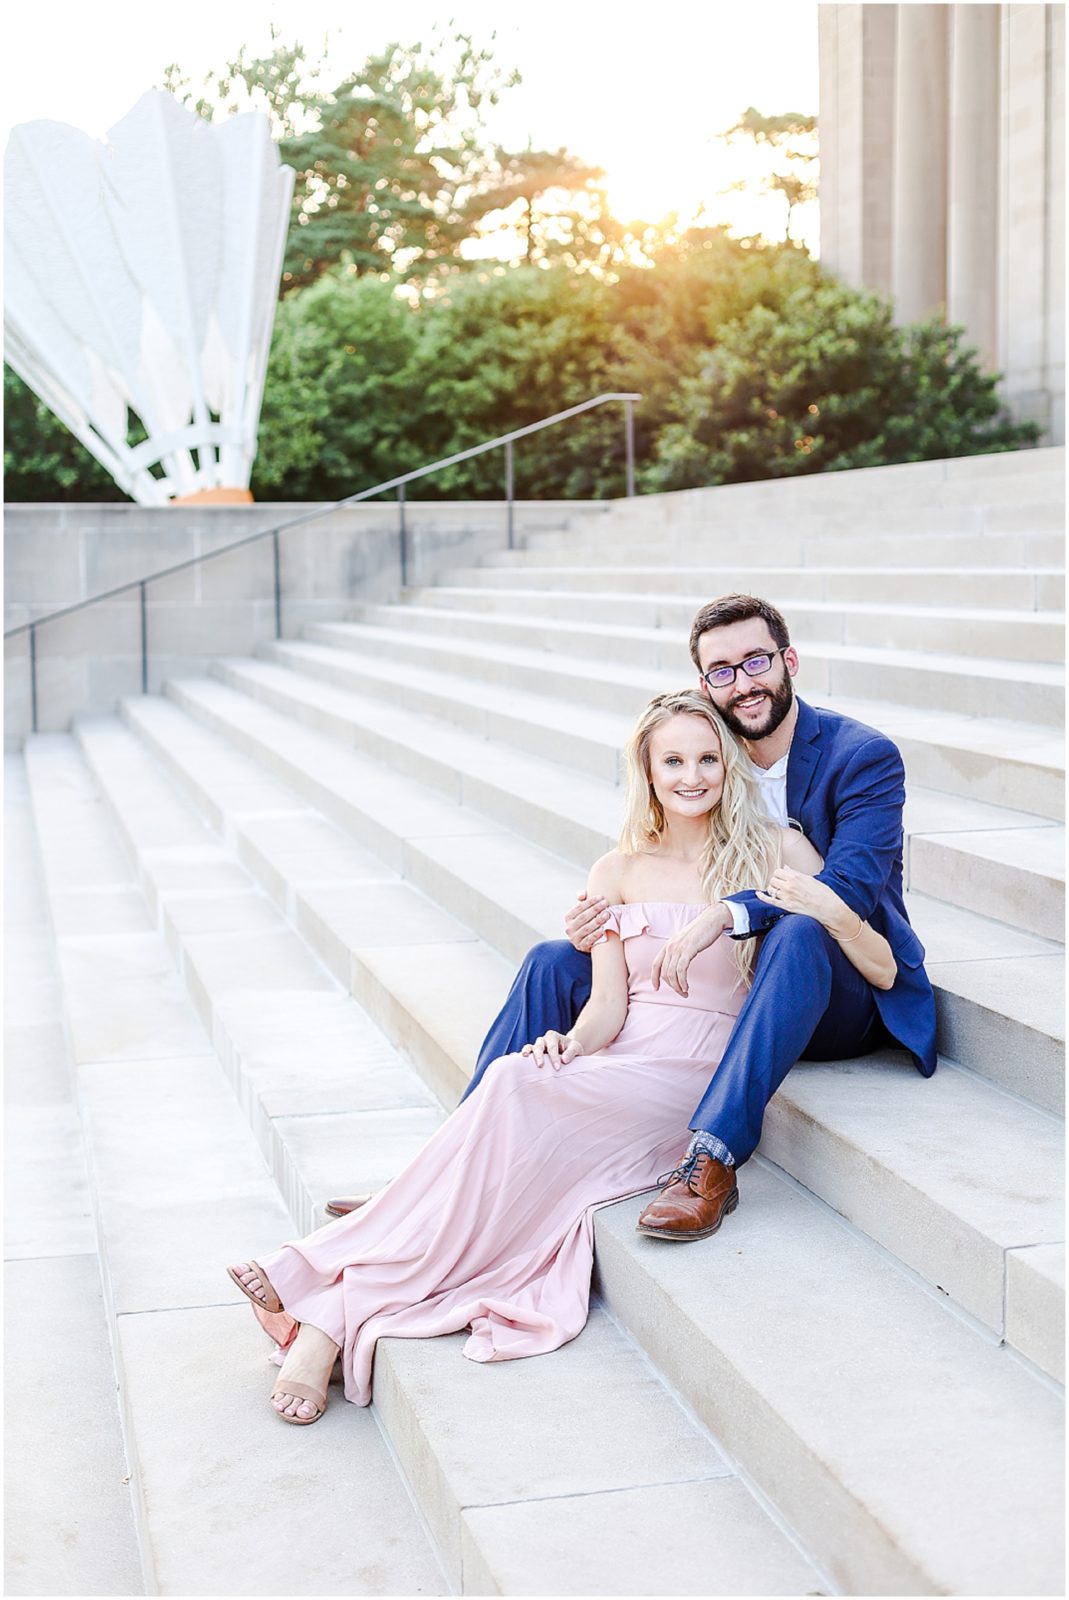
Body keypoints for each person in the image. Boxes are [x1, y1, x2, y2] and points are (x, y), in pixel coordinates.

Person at [227, 689, 895, 1423]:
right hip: (624, 1056)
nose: (691, 775)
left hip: (696, 1072)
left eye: (707, 758)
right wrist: (568, 1043)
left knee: (515, 1104)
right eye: (672, 759)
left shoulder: (773, 849)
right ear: (646, 769)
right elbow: (607, 1007)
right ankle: (327, 1315)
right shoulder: (615, 869)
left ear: (729, 764)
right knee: (521, 1071)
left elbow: (865, 955)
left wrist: (734, 916)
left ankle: (321, 1287)